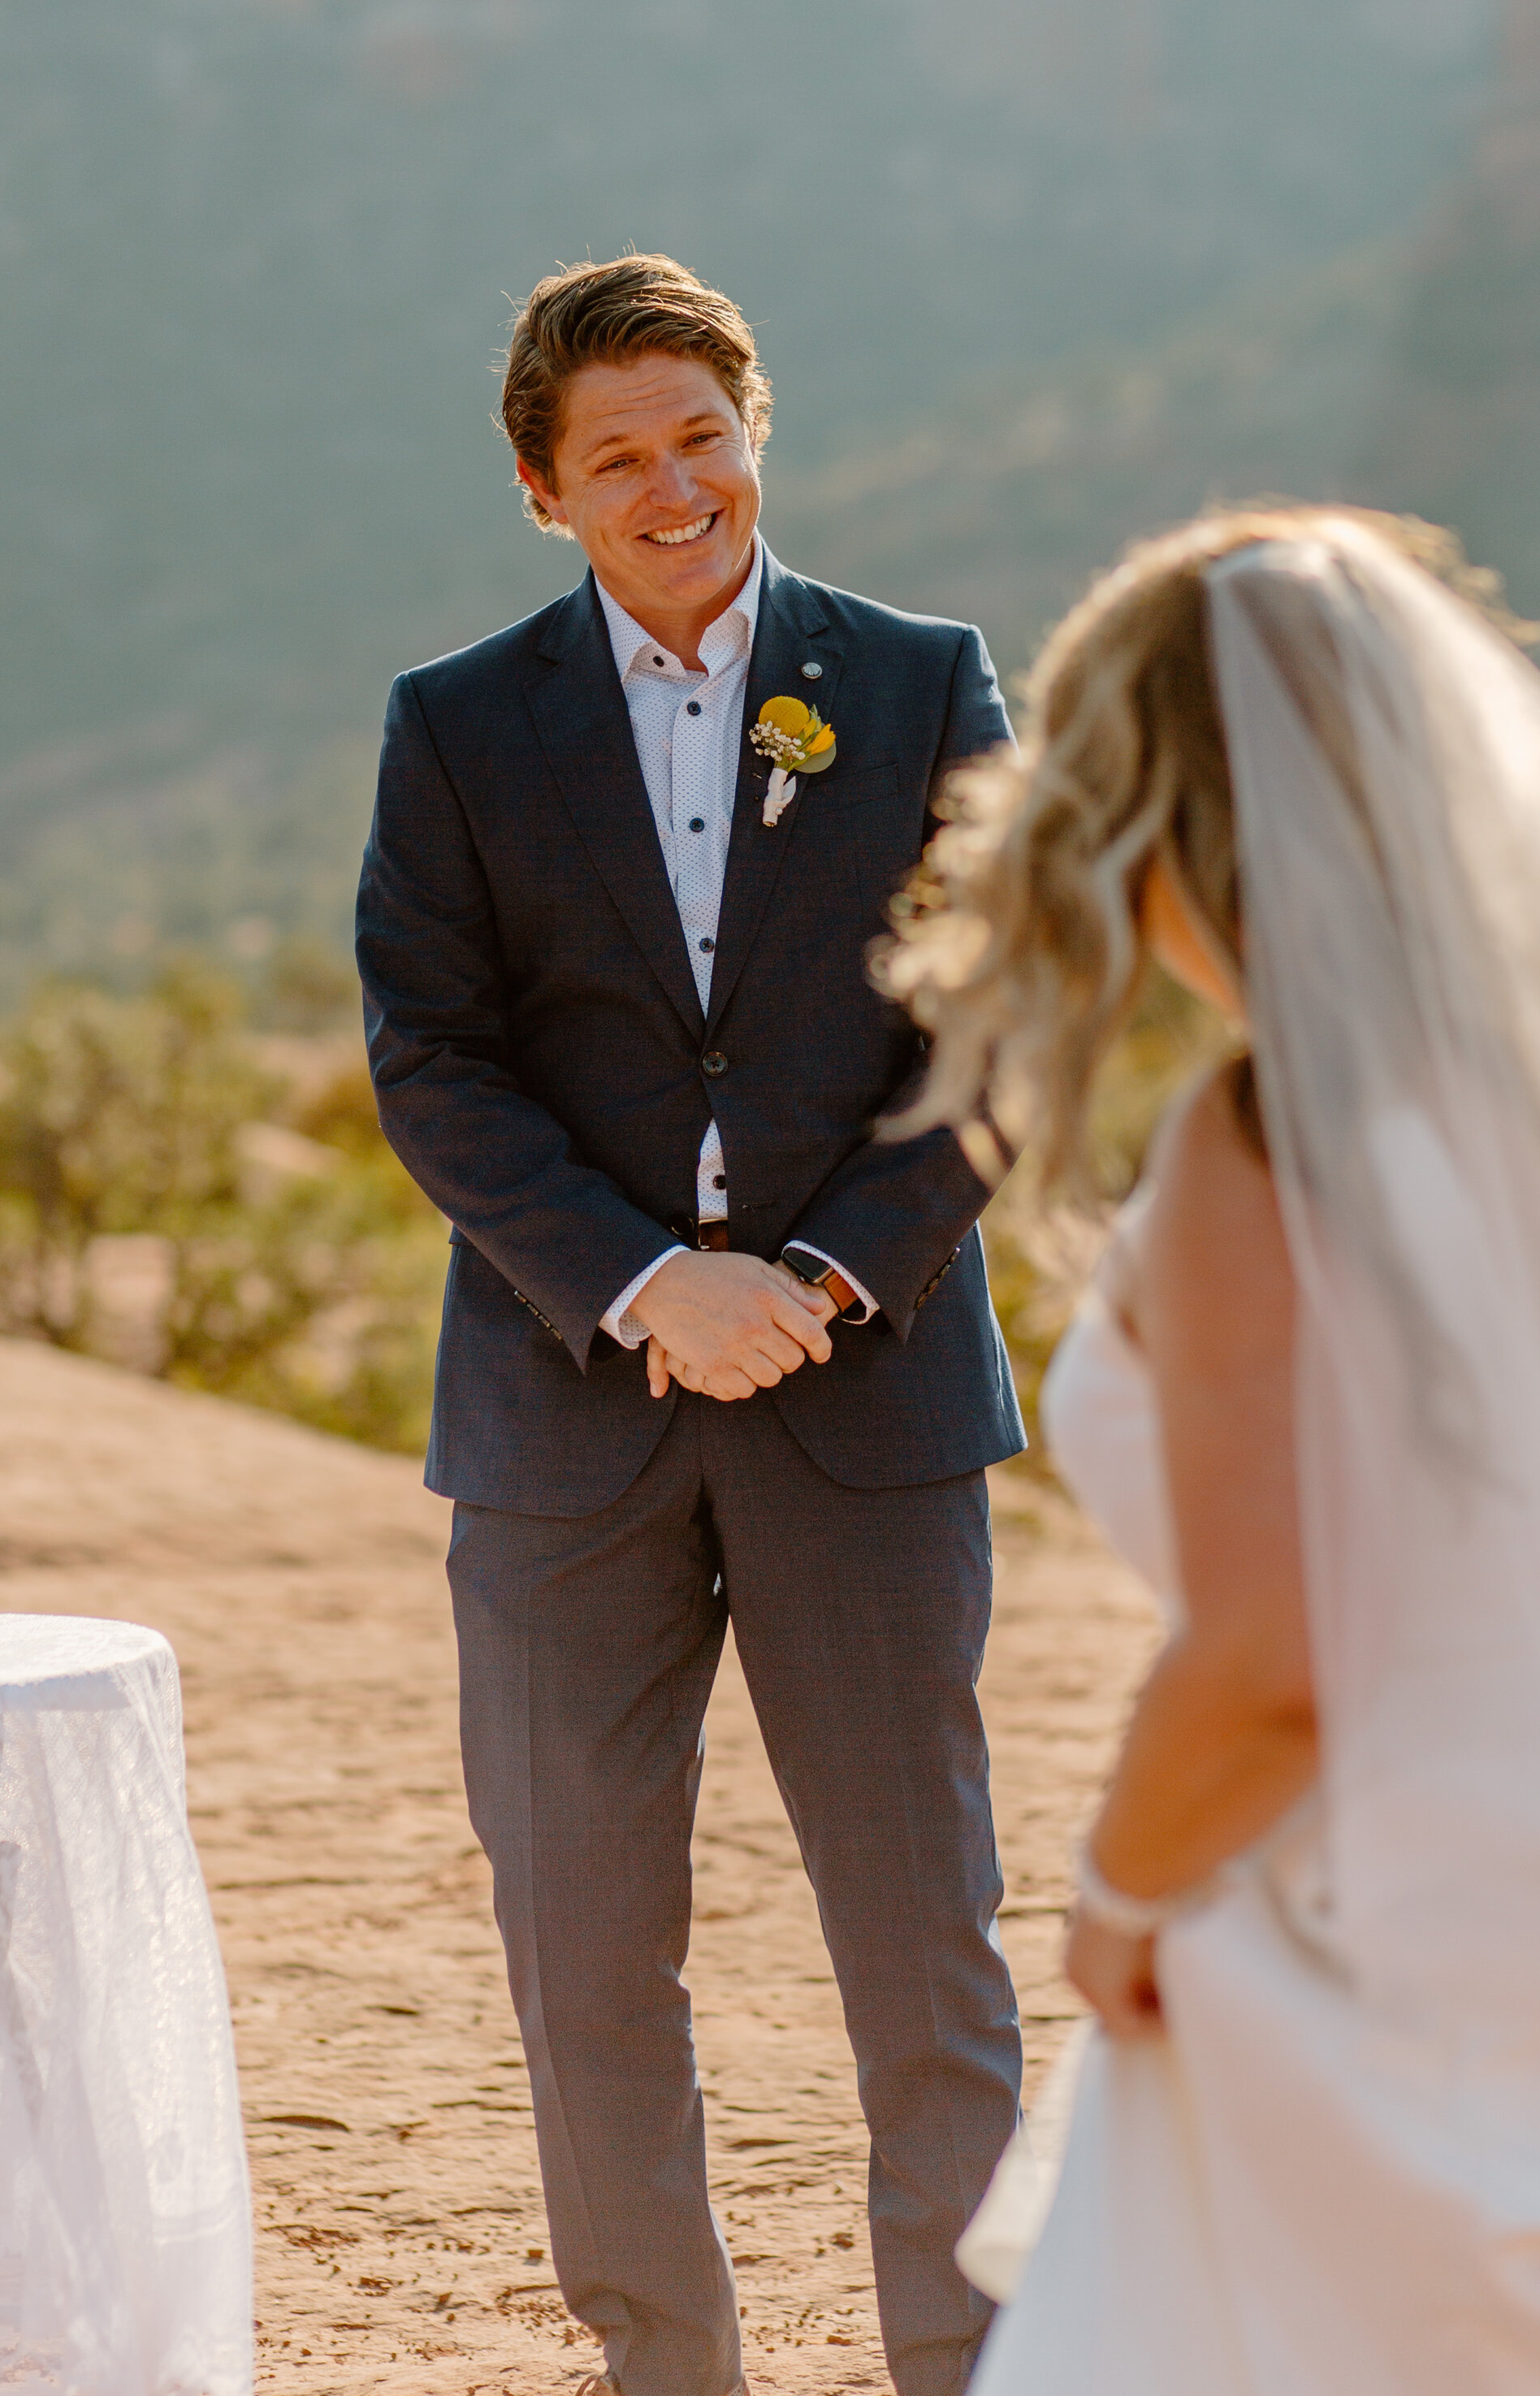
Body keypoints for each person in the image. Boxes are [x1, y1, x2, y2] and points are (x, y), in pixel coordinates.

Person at [880, 500, 1540, 2394]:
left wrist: (1111, 1901)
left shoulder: (1271, 1146)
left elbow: (1275, 1661)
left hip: (1387, 1936)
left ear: (1163, 826)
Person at [353, 255, 1027, 2396]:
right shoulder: (455, 723)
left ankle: (969, 2357)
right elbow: (432, 1054)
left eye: (700, 432)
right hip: (567, 1415)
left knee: (923, 1940)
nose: (673, 486)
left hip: (871, 1388)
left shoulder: (921, 682)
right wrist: (650, 1281)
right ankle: (668, 2364)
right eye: (616, 456)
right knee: (581, 1942)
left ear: (757, 426)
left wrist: (818, 1275)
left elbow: (1007, 1021)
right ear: (546, 492)